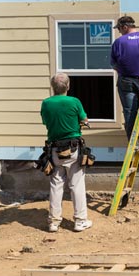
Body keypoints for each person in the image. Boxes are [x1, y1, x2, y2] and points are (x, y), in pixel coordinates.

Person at [40, 73, 92, 232]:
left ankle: (54, 222)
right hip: (73, 148)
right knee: (76, 184)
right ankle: (80, 221)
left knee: (56, 184)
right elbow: (84, 120)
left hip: (55, 149)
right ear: (68, 86)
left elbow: (45, 121)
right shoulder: (74, 102)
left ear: (52, 87)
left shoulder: (46, 103)